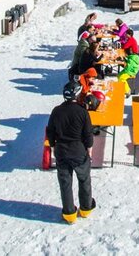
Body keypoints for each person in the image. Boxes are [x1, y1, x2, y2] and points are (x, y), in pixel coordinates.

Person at [47, 82, 95, 224]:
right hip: (78, 151)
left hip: (61, 151)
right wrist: (89, 148)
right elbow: (88, 134)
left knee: (65, 183)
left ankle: (69, 213)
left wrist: (53, 145)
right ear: (78, 95)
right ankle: (85, 208)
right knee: (84, 180)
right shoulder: (82, 112)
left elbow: (50, 131)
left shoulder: (56, 111)